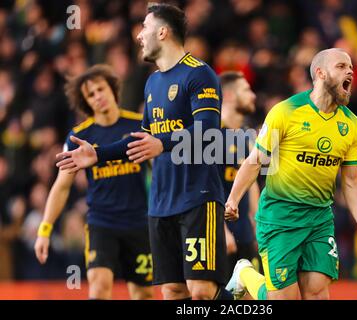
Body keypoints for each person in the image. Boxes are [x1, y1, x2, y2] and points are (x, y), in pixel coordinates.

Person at [55, 4, 232, 300]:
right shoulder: (152, 83)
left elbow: (208, 132)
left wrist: (162, 143)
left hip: (197, 198)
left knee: (201, 291)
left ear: (162, 32)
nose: (139, 36)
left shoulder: (199, 74)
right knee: (172, 290)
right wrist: (99, 154)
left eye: (145, 28)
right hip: (160, 203)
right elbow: (141, 140)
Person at [225, 48, 357, 300]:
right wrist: (233, 199)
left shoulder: (352, 125)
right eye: (342, 66)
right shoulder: (285, 112)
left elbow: (352, 182)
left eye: (351, 67)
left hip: (319, 219)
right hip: (280, 217)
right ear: (320, 73)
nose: (351, 71)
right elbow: (255, 161)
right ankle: (245, 273)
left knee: (317, 293)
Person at [35, 65, 153, 300]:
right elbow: (62, 186)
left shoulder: (139, 125)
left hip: (139, 223)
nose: (98, 96)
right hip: (101, 222)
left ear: (113, 89)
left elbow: (161, 170)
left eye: (101, 89)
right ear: (85, 102)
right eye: (91, 94)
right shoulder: (79, 137)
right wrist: (45, 229)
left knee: (143, 294)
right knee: (98, 288)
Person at [219, 71, 261, 278]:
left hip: (244, 232)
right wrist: (222, 231)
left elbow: (253, 184)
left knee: (248, 293)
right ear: (228, 96)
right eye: (246, 90)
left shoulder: (248, 135)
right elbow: (205, 187)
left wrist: (258, 223)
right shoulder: (210, 135)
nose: (252, 95)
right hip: (218, 233)